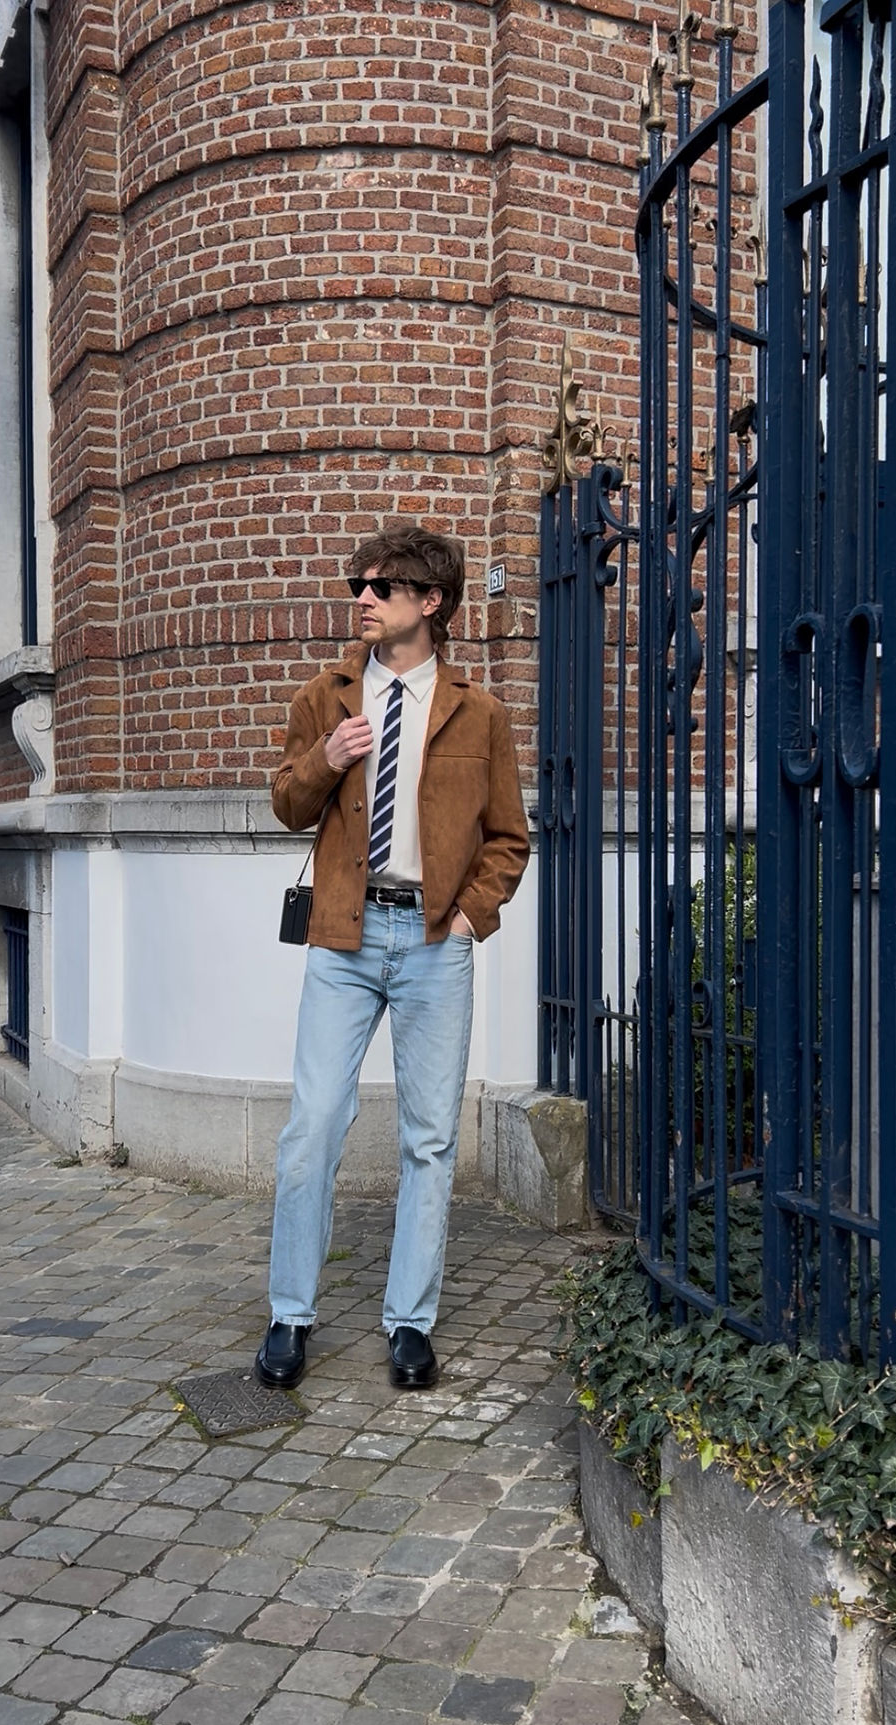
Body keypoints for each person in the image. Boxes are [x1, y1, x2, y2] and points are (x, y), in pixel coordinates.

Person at [256, 521, 530, 1391]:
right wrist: (327, 760)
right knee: (311, 1130)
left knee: (428, 1140)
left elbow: (509, 839)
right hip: (342, 937)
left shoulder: (478, 713)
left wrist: (466, 919)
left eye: (381, 587)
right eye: (358, 586)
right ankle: (288, 1316)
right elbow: (286, 807)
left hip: (431, 942)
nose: (362, 600)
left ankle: (410, 1322)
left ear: (431, 602)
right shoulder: (326, 697)